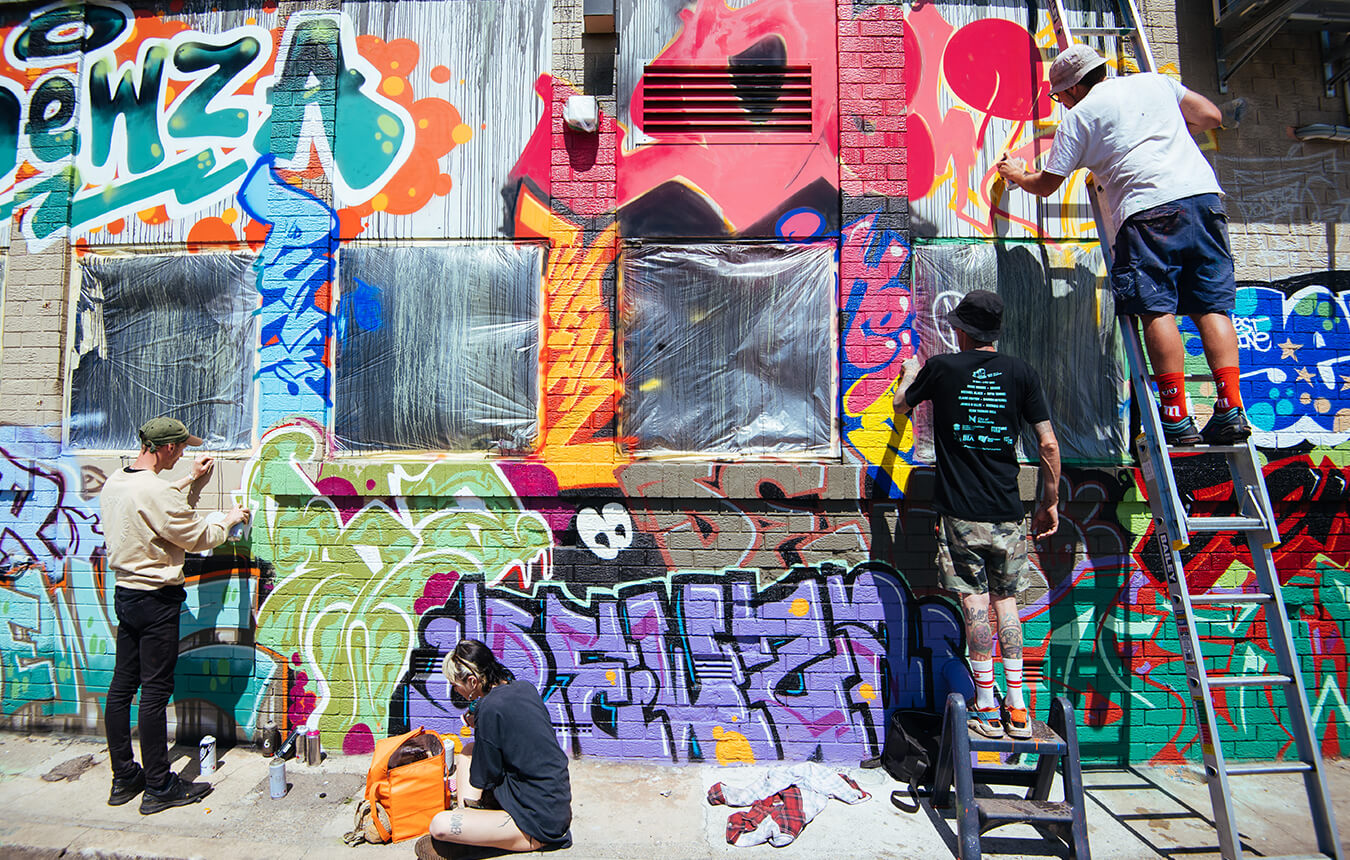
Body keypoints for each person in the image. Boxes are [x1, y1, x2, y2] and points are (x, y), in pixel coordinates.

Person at [996, 44, 1249, 446]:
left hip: (1148, 211)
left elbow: (1046, 185)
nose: (1059, 103)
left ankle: (1177, 417)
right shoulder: (1155, 83)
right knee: (1210, 307)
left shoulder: (1080, 118)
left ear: (1076, 88)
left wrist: (1016, 173)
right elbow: (1210, 116)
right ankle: (1231, 410)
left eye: (1059, 95)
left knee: (1155, 309)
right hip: (1203, 201)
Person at [893, 291, 1060, 739]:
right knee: (1007, 604)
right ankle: (1019, 708)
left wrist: (910, 373)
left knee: (974, 604)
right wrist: (1050, 501)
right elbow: (1047, 444)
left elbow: (900, 406)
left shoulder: (943, 369)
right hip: (1007, 511)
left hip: (961, 513)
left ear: (962, 330)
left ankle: (985, 707)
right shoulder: (1022, 373)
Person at [99, 416, 249, 814]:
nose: (183, 454)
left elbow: (152, 503)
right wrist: (228, 520)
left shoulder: (118, 481)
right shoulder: (155, 491)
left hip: (126, 595)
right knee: (154, 692)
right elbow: (198, 536)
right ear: (165, 448)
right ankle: (159, 786)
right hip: (156, 599)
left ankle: (124, 777)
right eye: (181, 448)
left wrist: (188, 481)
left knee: (121, 688)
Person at [418, 639, 572, 859]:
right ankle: (473, 821)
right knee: (468, 750)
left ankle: (472, 829)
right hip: (554, 805)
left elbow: (485, 777)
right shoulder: (524, 688)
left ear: (472, 681)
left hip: (539, 823)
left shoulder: (489, 709)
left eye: (455, 684)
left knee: (439, 826)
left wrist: (482, 724)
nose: (455, 690)